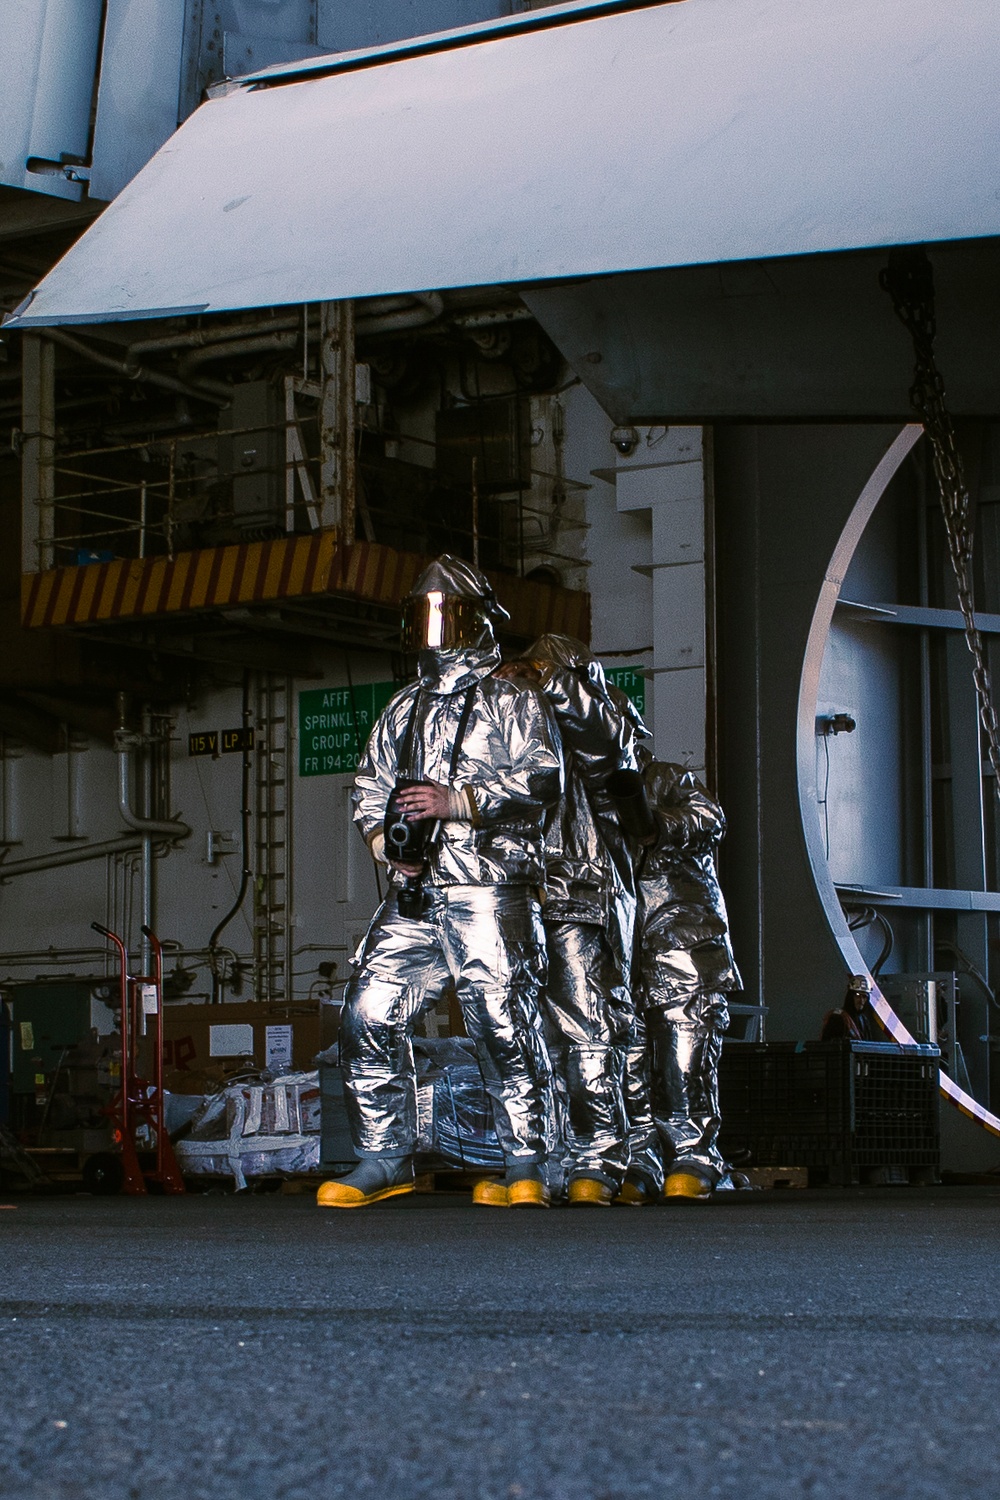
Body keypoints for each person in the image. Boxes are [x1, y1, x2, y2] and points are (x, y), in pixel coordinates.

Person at [316, 555, 563, 1210]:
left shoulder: (512, 700)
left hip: (488, 885)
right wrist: (386, 847)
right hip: (416, 893)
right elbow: (370, 788)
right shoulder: (405, 708)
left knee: (502, 1022)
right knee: (368, 1013)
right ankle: (385, 1156)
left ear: (478, 620)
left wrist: (456, 803)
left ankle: (530, 1161)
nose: (434, 630)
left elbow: (543, 778)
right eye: (423, 616)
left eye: (446, 614)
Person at [498, 635, 657, 1206]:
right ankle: (548, 1160)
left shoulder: (599, 713)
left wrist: (543, 677)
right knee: (522, 1030)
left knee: (589, 1022)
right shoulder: (501, 713)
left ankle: (606, 1156)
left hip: (578, 883)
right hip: (515, 884)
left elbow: (610, 761)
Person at [634, 760, 742, 1201]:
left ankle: (694, 1153)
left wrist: (659, 824)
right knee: (626, 1057)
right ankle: (641, 1155)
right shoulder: (569, 789)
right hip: (617, 941)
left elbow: (710, 818)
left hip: (681, 933)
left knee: (685, 1047)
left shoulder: (664, 779)